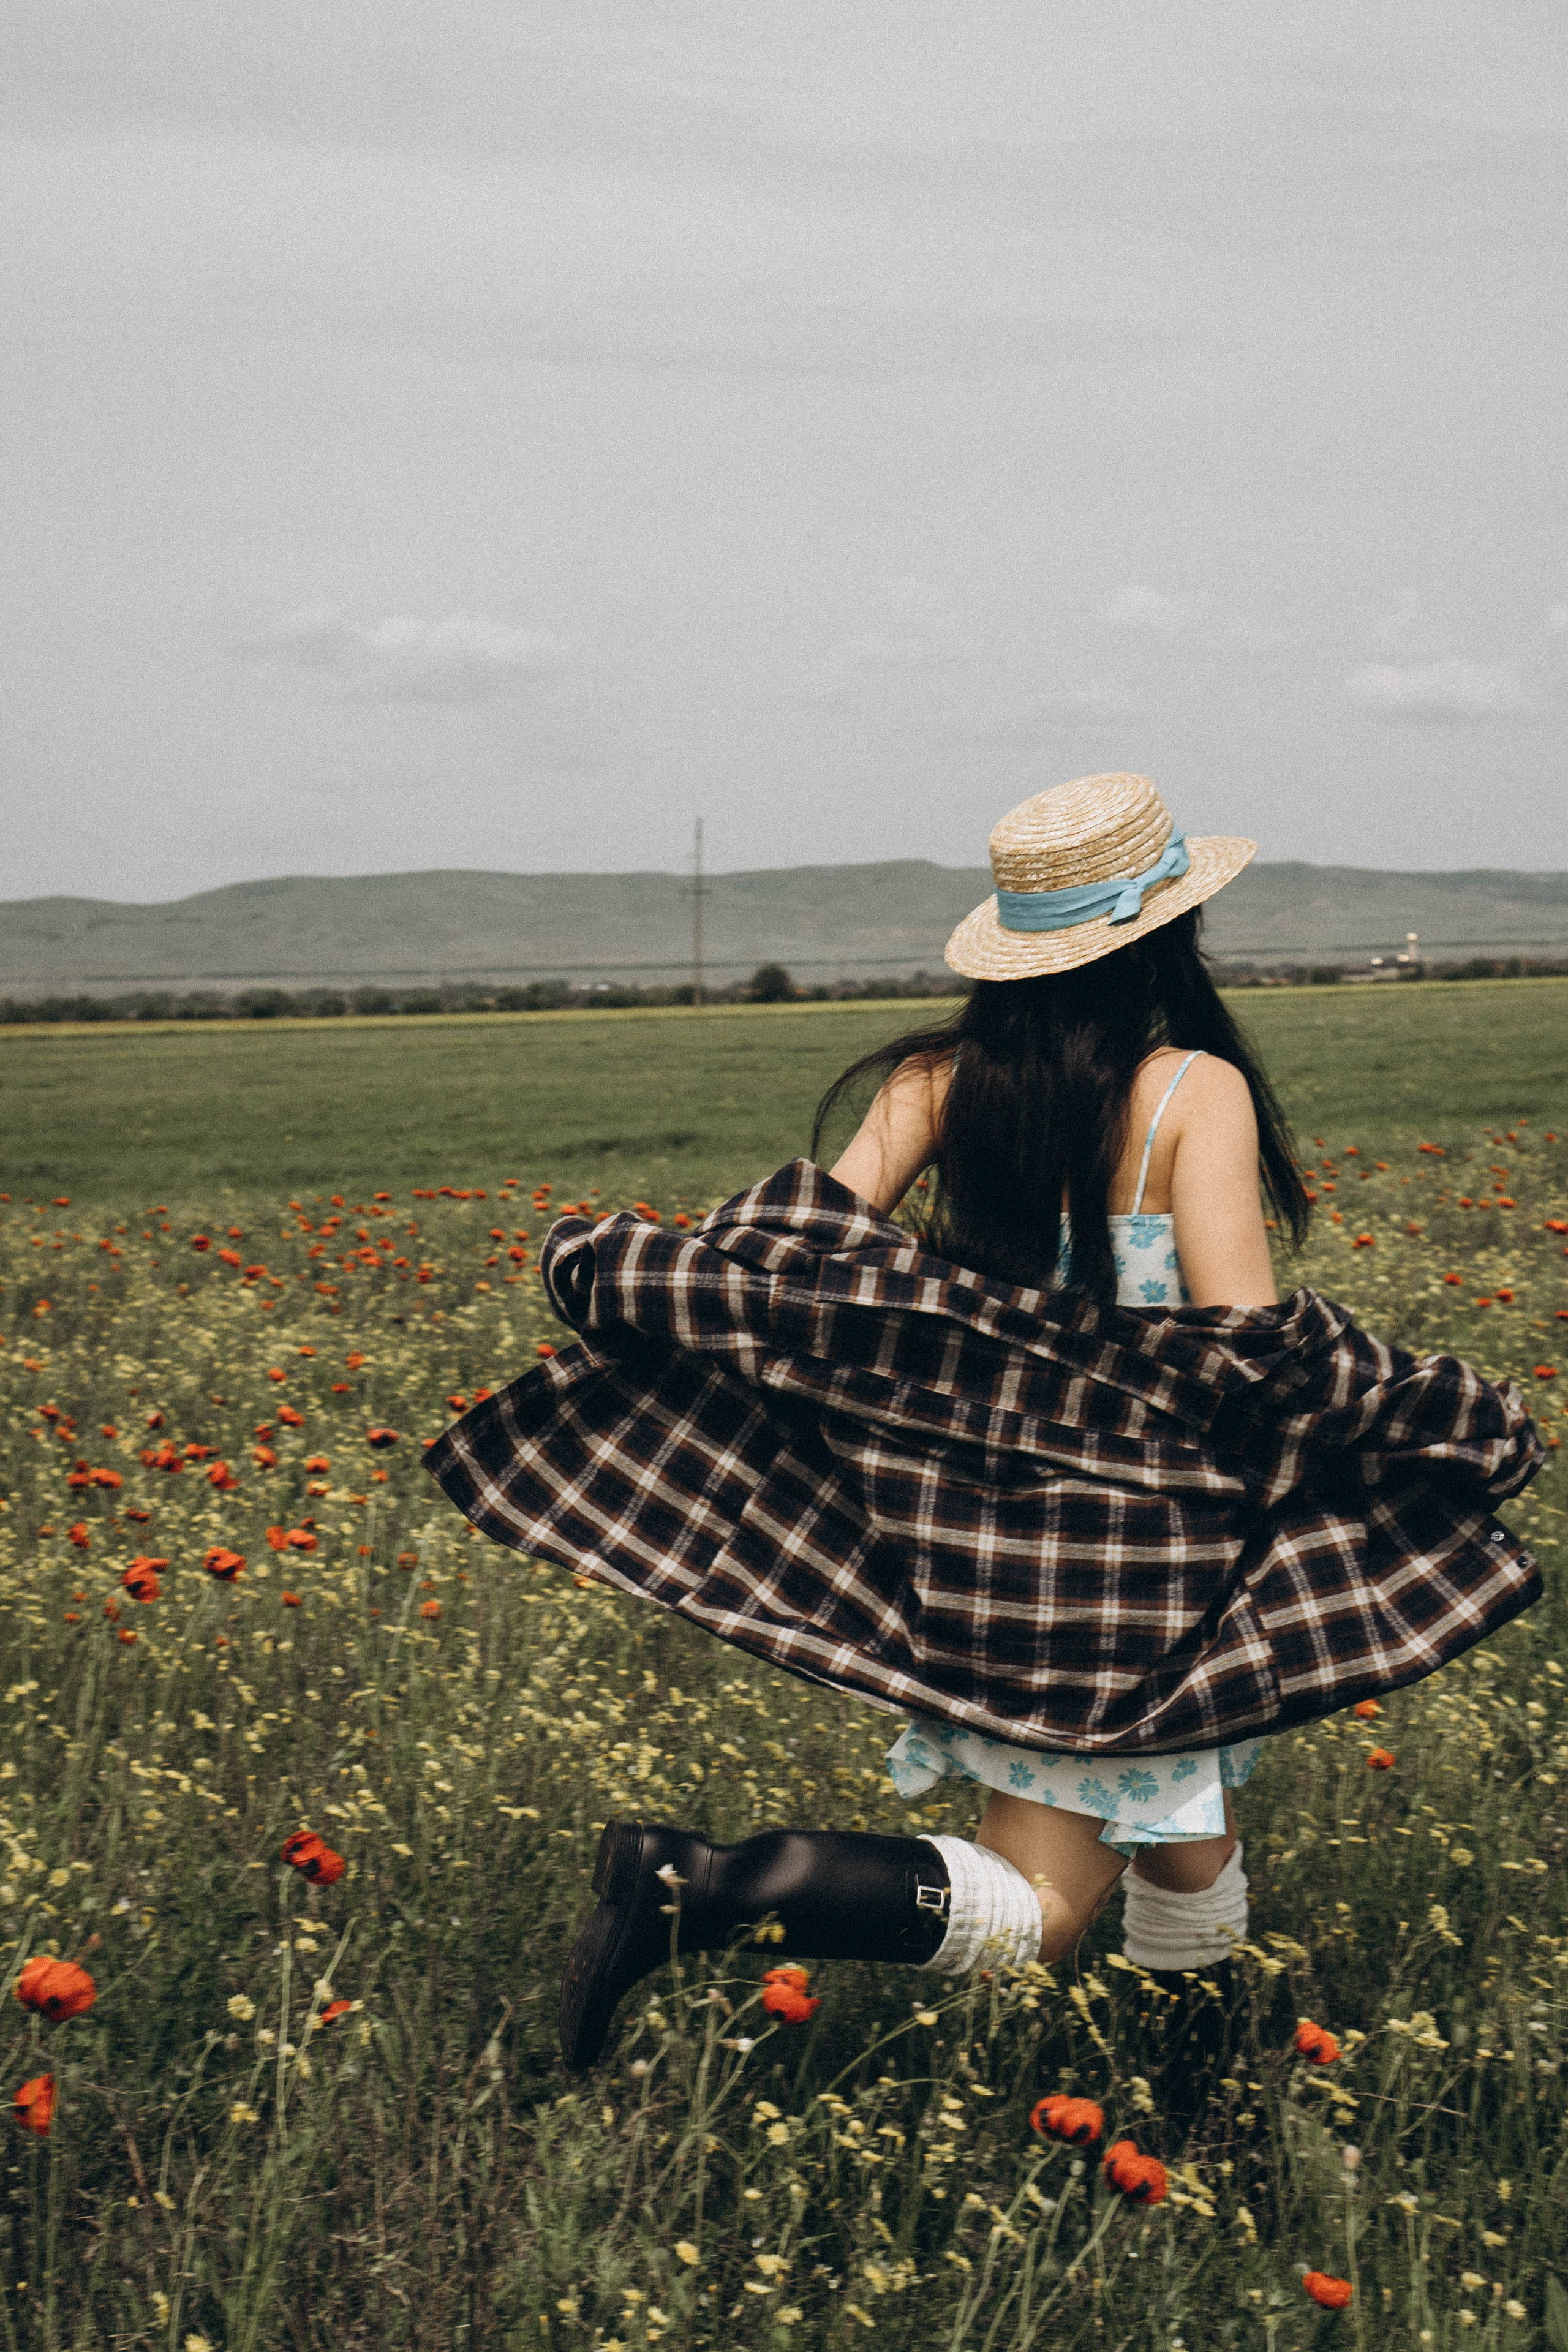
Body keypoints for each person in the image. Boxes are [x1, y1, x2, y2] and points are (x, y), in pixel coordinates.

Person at [423, 774, 1543, 2071]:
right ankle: (713, 1887)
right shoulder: (1192, 1093)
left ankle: (1196, 2088)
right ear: (1165, 938)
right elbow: (1246, 1349)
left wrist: (657, 1283)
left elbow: (792, 1253)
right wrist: (1419, 1409)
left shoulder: (933, 1082)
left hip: (970, 1537)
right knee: (1043, 1912)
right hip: (1136, 1555)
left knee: (1184, 1829)